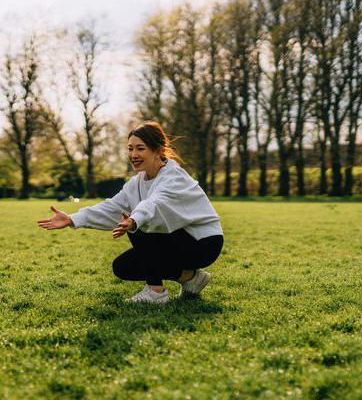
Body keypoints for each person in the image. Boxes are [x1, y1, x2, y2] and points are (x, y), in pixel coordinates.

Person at [37, 121, 223, 304]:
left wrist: (134, 220)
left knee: (139, 228)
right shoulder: (137, 182)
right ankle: (190, 278)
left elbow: (154, 204)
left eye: (140, 148)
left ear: (158, 150)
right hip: (177, 240)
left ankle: (155, 292)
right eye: (130, 148)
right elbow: (112, 207)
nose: (133, 154)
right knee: (124, 267)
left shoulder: (173, 176)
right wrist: (72, 219)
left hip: (203, 243)